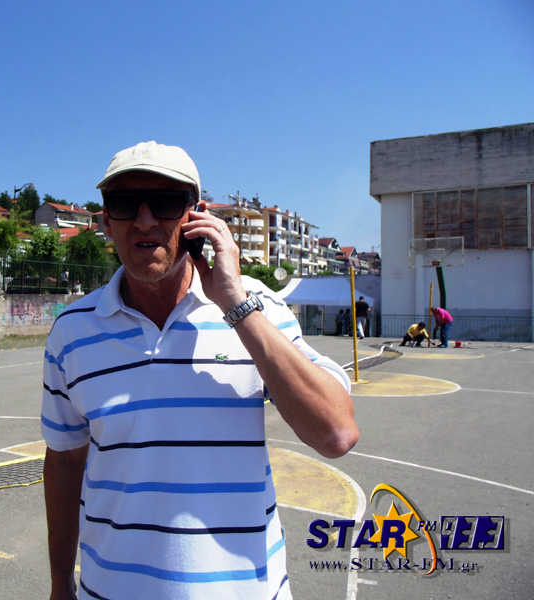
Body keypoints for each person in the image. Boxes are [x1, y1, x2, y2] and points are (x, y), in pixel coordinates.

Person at [41, 141, 358, 600]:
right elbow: (65, 461)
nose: (144, 220)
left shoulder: (258, 307)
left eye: (166, 202)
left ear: (196, 216)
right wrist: (59, 585)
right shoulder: (72, 332)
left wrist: (234, 303)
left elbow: (336, 434)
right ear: (107, 221)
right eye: (125, 203)